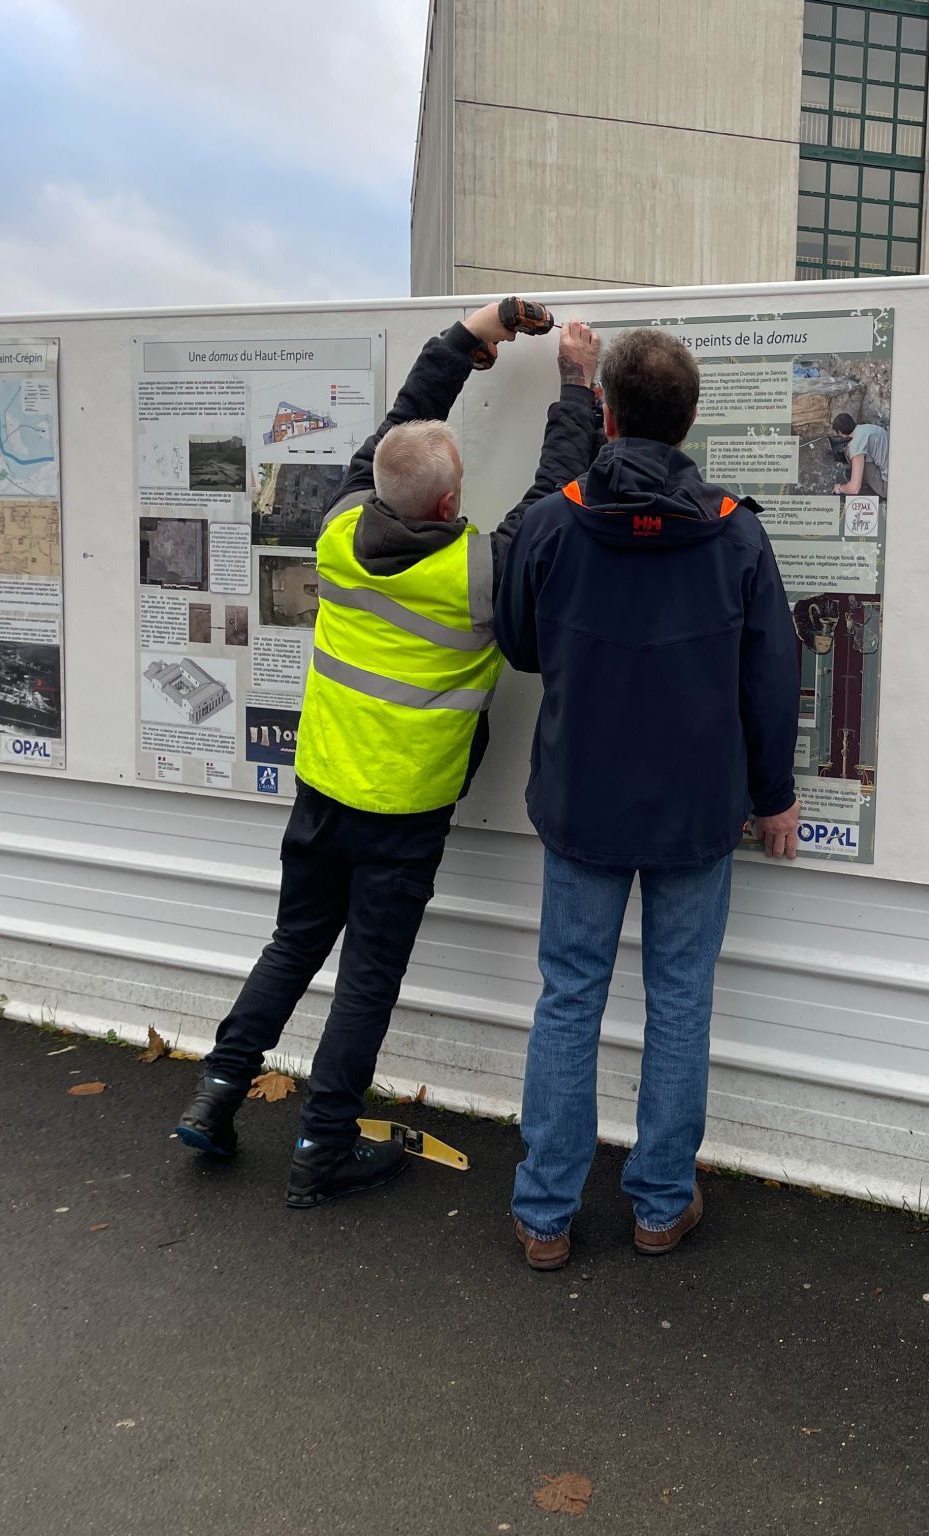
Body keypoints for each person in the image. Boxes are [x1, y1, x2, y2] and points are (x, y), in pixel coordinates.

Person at [172, 304, 608, 1210]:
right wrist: (576, 385)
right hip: (405, 811)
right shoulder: (481, 574)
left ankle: (216, 1093)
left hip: (324, 787)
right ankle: (322, 1147)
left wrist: (467, 337)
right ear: (453, 504)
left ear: (375, 488)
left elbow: (403, 420)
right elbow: (559, 482)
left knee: (294, 943)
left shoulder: (336, 529)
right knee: (367, 979)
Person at [496, 327, 801, 1270]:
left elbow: (520, 645)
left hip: (582, 803)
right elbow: (772, 674)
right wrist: (776, 796)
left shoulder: (554, 523)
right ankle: (661, 1205)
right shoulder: (737, 531)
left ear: (610, 417)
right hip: (697, 811)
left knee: (568, 998)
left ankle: (545, 1215)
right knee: (679, 1000)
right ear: (692, 420)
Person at [832, 412, 889, 499]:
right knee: (848, 450)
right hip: (894, 462)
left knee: (849, 451)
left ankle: (858, 477)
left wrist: (840, 488)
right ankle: (857, 473)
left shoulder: (855, 446)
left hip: (889, 485)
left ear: (839, 432)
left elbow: (854, 489)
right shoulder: (866, 428)